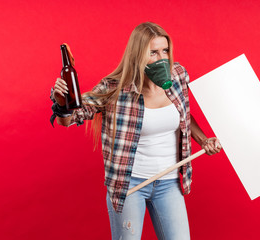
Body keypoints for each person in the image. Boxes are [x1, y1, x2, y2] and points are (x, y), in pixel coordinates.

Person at [51, 22, 221, 240]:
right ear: (138, 55)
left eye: (165, 50)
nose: (162, 58)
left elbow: (184, 115)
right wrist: (62, 102)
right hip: (130, 185)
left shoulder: (178, 75)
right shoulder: (114, 88)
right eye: (153, 52)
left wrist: (204, 140)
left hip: (169, 183)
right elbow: (70, 118)